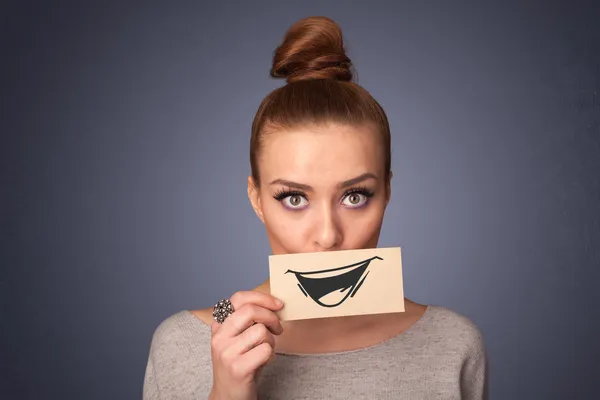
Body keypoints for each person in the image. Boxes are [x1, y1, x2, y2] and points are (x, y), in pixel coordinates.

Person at [143, 16, 488, 400]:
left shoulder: (452, 344)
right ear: (256, 198)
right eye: (294, 198)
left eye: (355, 196)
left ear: (387, 191)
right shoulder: (184, 344)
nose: (327, 235)